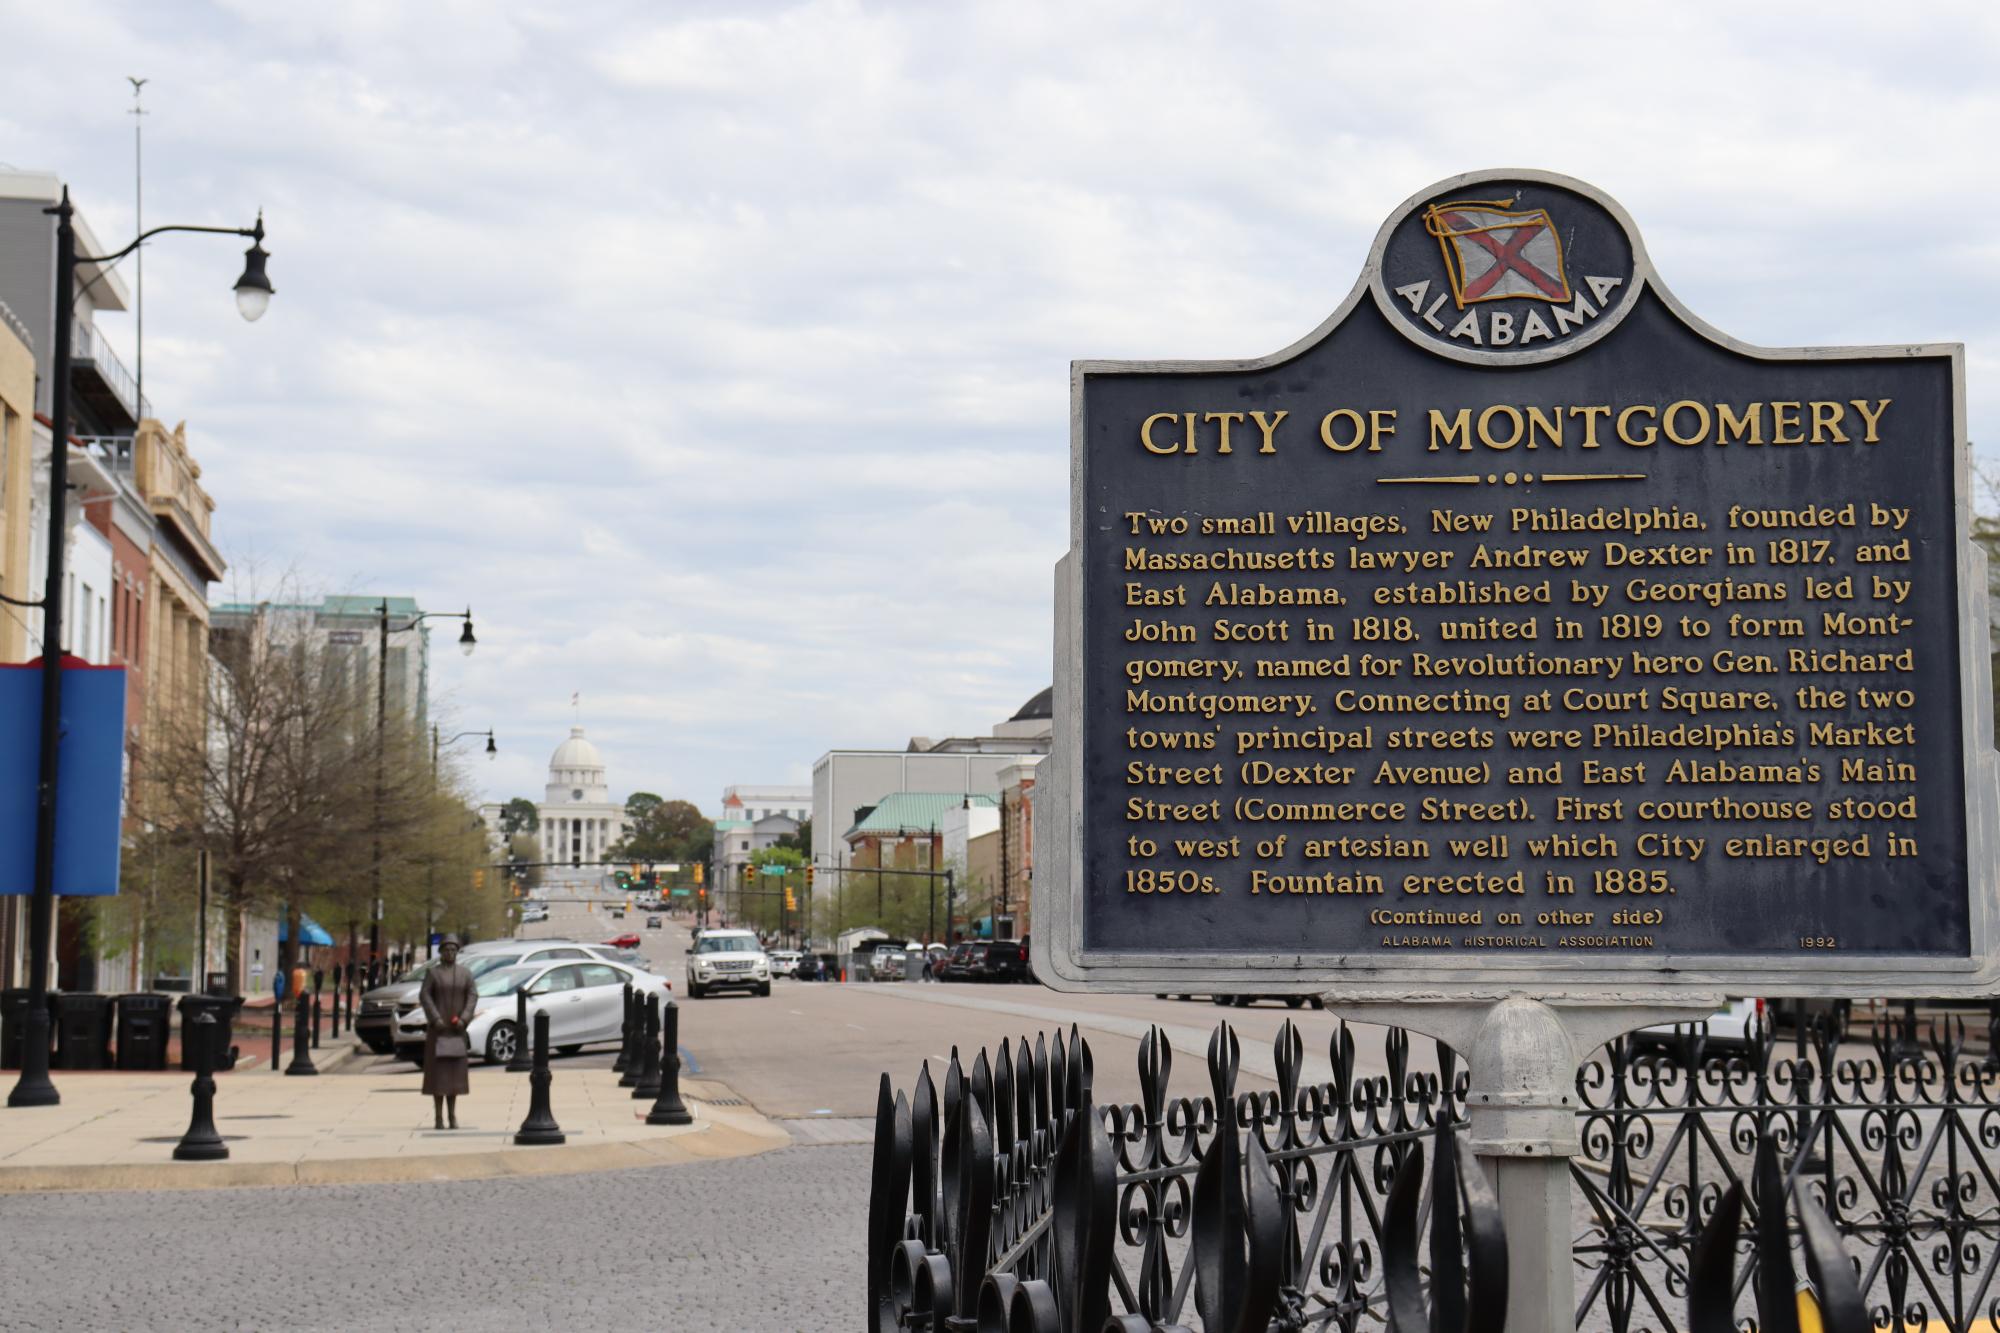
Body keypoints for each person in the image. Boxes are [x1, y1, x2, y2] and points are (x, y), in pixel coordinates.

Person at [419, 936, 478, 1129]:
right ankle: (438, 1117)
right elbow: (425, 996)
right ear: (441, 952)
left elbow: (472, 995)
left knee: (454, 1077)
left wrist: (464, 1018)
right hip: (438, 1032)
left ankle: (452, 1116)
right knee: (439, 1076)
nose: (450, 953)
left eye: (453, 950)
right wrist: (435, 1018)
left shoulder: (465, 974)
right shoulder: (433, 974)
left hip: (457, 1030)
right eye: (446, 950)